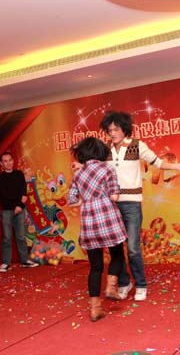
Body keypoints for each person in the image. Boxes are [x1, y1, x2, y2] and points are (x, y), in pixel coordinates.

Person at [100, 111, 180, 301]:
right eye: (109, 130)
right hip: (111, 205)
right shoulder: (105, 149)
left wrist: (177, 166)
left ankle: (141, 285)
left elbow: (157, 162)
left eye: (116, 129)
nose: (113, 133)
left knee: (133, 247)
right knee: (116, 248)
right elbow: (97, 170)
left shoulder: (136, 145)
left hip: (132, 204)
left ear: (125, 129)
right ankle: (124, 283)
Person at [68, 137, 127, 322]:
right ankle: (111, 286)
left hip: (89, 223)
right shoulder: (107, 169)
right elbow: (114, 196)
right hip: (108, 219)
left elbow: (71, 200)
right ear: (100, 152)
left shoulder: (78, 174)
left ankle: (95, 308)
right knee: (117, 254)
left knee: (95, 267)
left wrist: (84, 200)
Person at [0, 152, 39, 272]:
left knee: (21, 236)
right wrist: (16, 203)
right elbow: (3, 194)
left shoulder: (19, 174)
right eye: (5, 161)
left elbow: (23, 192)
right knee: (7, 237)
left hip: (19, 209)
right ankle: (6, 263)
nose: (8, 163)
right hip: (5, 210)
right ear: (1, 164)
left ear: (13, 161)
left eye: (10, 160)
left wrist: (19, 205)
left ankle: (24, 260)